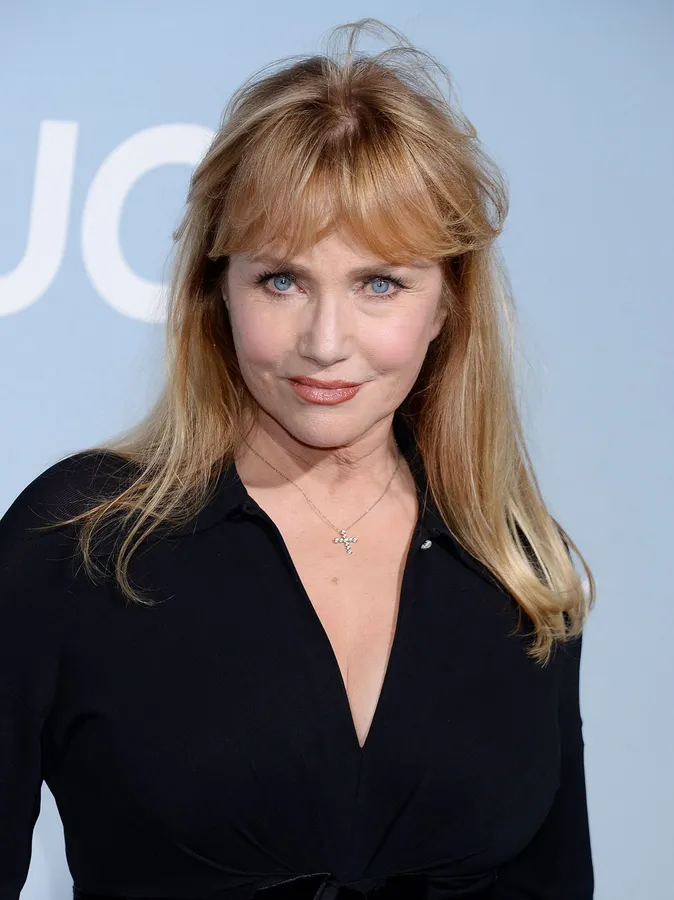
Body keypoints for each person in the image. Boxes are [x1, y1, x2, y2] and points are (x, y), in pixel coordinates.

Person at [0, 18, 596, 900]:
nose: (325, 341)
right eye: (281, 279)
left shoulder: (519, 568)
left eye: (379, 283)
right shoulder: (80, 542)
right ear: (218, 291)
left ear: (447, 305)